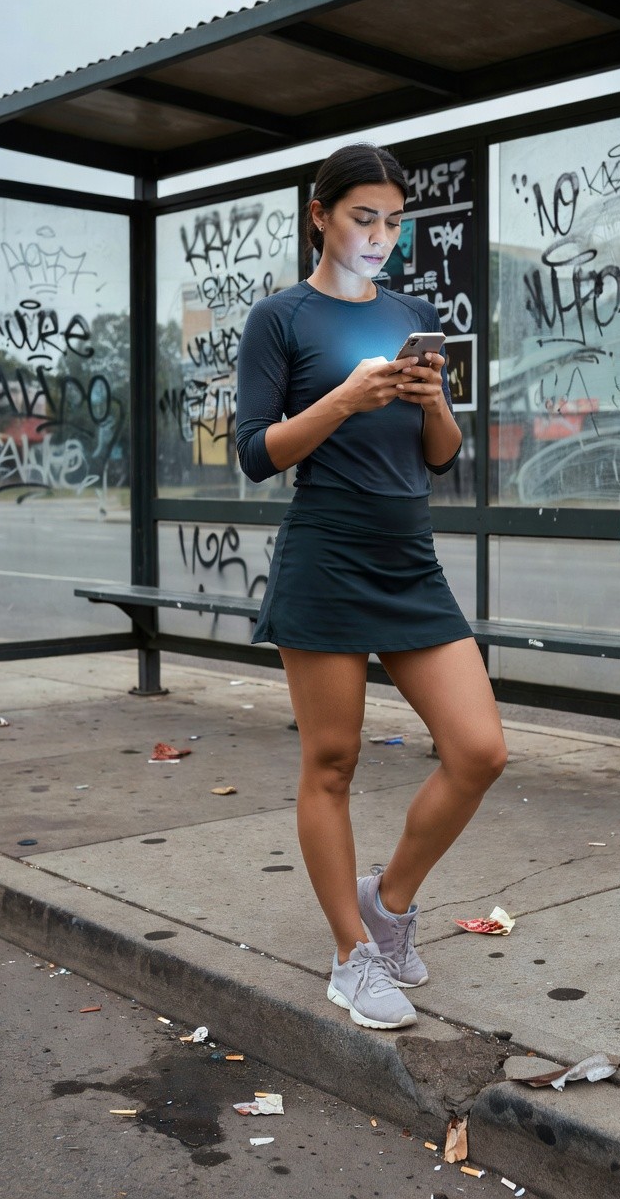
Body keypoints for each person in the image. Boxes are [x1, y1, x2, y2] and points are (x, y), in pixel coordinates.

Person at [235, 143, 508, 1031]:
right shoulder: (279, 318)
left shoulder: (410, 312)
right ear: (320, 215)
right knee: (332, 762)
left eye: (394, 221)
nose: (381, 235)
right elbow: (256, 453)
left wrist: (429, 398)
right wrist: (346, 400)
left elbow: (439, 455)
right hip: (326, 551)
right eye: (364, 217)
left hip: (408, 556)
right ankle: (353, 957)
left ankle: (388, 907)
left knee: (479, 750)